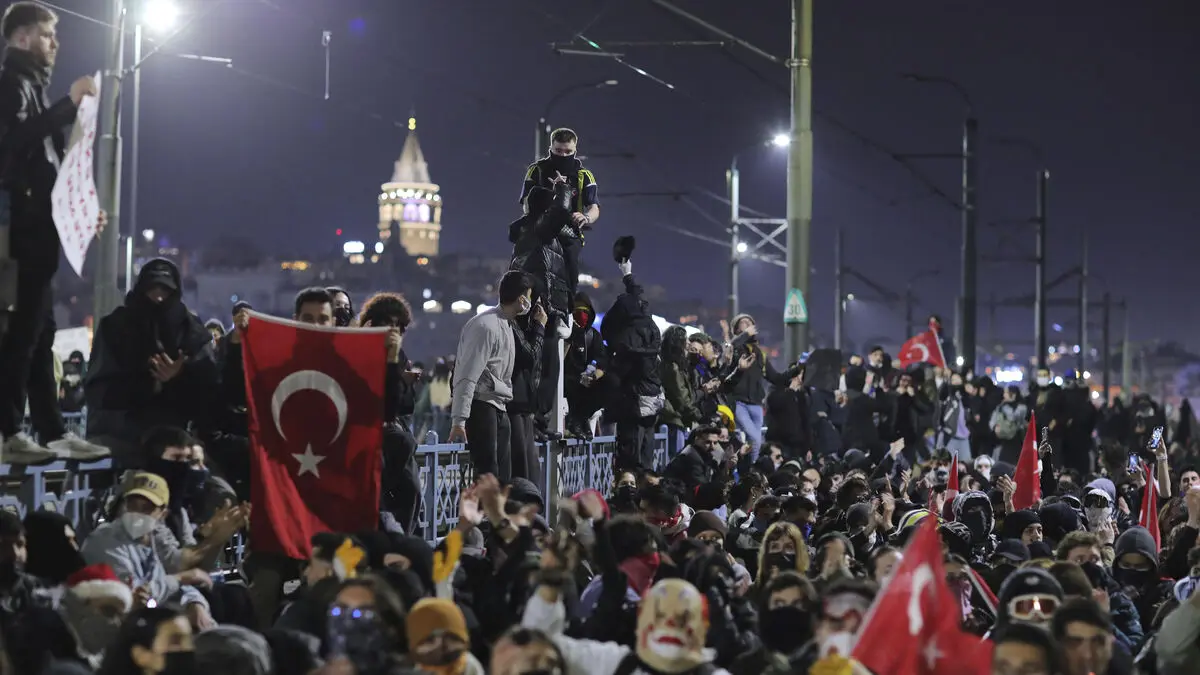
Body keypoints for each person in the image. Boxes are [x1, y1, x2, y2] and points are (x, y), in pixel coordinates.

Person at [0, 2, 106, 462]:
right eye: (46, 35)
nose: (55, 44)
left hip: (38, 227)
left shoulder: (32, 90)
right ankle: (9, 432)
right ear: (21, 38)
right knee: (21, 333)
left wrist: (83, 212)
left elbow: (51, 169)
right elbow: (12, 144)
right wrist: (69, 104)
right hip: (20, 228)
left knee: (40, 332)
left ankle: (51, 431)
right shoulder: (11, 84)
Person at [449, 271, 530, 480]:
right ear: (521, 298)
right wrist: (459, 420)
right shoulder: (485, 326)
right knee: (488, 476)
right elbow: (467, 375)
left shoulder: (506, 324)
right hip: (482, 406)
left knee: (502, 478)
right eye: (528, 296)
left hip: (499, 405)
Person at [519, 128, 599, 304]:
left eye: (568, 152)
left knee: (571, 270)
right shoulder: (536, 170)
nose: (563, 155)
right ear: (551, 148)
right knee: (524, 268)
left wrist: (585, 217)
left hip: (569, 233)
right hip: (539, 230)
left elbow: (594, 207)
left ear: (575, 150)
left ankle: (568, 307)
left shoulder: (584, 175)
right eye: (558, 151)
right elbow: (525, 202)